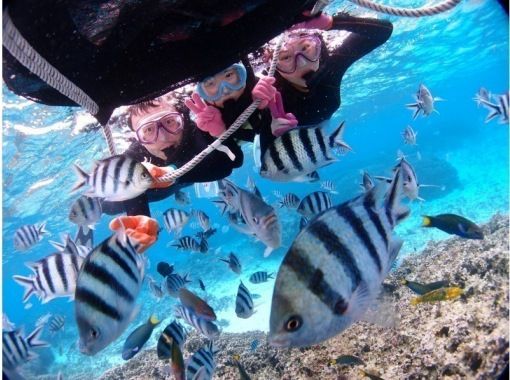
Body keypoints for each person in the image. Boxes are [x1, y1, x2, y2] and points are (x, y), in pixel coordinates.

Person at [101, 95, 244, 217]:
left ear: (182, 119)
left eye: (169, 121)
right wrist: (140, 224)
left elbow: (229, 165)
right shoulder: (134, 157)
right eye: (148, 130)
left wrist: (171, 172)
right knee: (108, 206)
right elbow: (133, 203)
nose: (163, 138)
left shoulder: (196, 130)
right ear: (138, 139)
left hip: (191, 175)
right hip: (156, 192)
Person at [271, 12, 394, 128]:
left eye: (305, 48)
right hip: (290, 145)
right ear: (274, 66)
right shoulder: (267, 91)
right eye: (285, 57)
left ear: (318, 46)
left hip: (321, 137)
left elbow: (384, 31)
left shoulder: (333, 65)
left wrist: (332, 23)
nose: (302, 63)